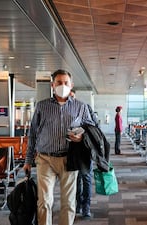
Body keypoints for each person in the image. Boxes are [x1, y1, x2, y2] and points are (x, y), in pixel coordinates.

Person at [23, 69, 95, 225]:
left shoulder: (81, 107)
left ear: (71, 85)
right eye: (59, 83)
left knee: (68, 202)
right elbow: (33, 134)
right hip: (45, 158)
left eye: (66, 83)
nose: (63, 85)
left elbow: (91, 130)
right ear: (52, 85)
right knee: (44, 201)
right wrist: (28, 160)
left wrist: (82, 137)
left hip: (69, 159)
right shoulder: (42, 106)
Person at [69, 89, 95, 219]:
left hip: (85, 150)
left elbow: (93, 128)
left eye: (72, 96)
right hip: (72, 151)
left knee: (86, 178)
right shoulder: (64, 111)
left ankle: (86, 206)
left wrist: (81, 134)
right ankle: (78, 204)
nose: (70, 99)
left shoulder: (84, 107)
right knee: (76, 180)